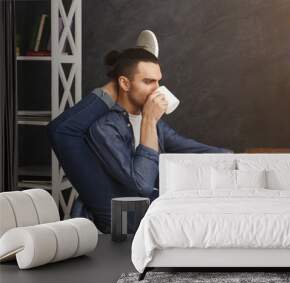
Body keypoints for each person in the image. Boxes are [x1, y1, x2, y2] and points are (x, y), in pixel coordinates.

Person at [48, 48, 231, 233]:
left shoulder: (153, 123)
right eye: (148, 81)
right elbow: (142, 184)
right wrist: (149, 121)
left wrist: (234, 159)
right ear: (124, 83)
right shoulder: (106, 127)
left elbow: (194, 149)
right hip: (124, 227)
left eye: (158, 81)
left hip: (155, 213)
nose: (157, 89)